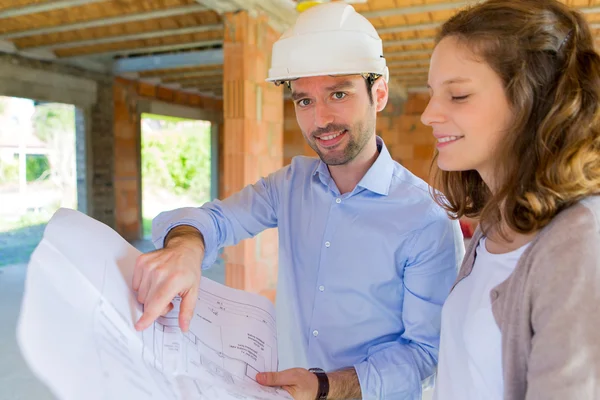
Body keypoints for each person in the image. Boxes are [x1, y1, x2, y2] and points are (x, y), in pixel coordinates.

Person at [133, 3, 464, 399]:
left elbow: (426, 353)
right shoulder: (289, 185)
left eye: (338, 93)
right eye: (304, 100)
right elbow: (216, 220)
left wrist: (327, 386)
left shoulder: (427, 218)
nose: (319, 119)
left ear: (379, 93)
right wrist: (186, 246)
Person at [421, 0, 600, 399]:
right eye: (433, 93)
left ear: (531, 101)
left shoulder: (579, 241)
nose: (428, 114)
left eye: (459, 95)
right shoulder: (493, 224)